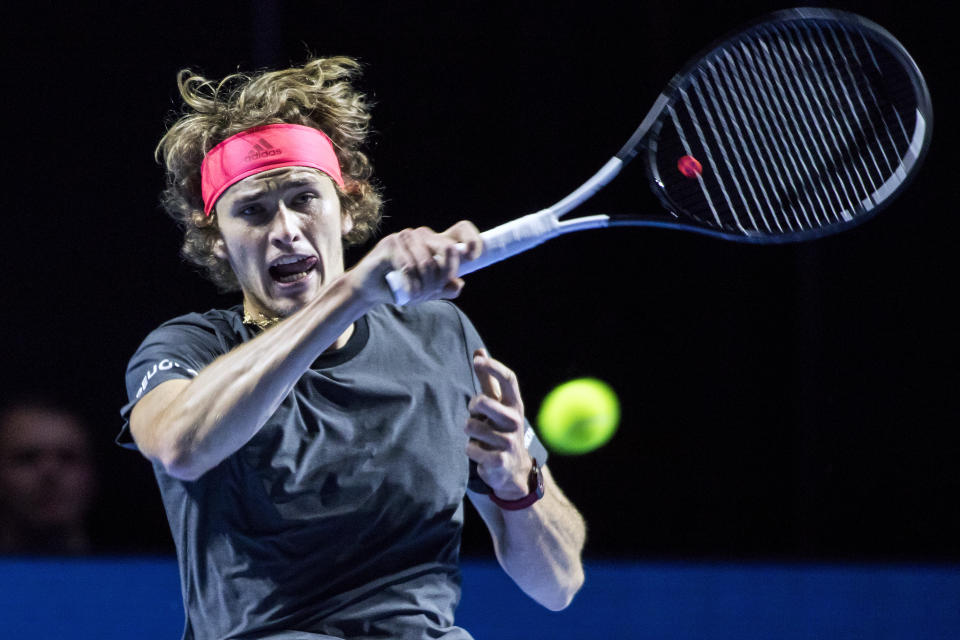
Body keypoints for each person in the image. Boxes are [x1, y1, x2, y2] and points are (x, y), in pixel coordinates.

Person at [119, 57, 586, 640]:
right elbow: (180, 447)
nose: (286, 228)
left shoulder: (443, 337)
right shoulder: (188, 347)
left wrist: (518, 485)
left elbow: (559, 585)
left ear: (347, 207)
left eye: (304, 198)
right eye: (253, 211)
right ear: (216, 238)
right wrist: (353, 291)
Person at [0, 399, 97, 554]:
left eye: (67, 457)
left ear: (91, 474)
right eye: (27, 458)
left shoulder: (133, 573)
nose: (50, 473)